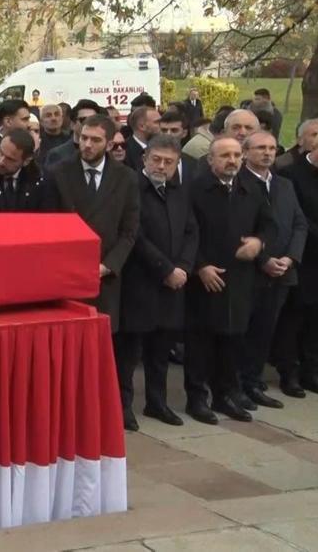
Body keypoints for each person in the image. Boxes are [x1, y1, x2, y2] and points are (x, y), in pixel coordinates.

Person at [185, 135, 276, 424]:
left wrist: (258, 243)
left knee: (232, 339)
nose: (232, 161)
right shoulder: (195, 189)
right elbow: (186, 232)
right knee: (201, 342)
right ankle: (196, 398)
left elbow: (268, 224)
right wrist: (200, 266)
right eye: (225, 155)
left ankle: (225, 395)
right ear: (210, 159)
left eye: (236, 155)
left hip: (240, 279)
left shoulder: (251, 188)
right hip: (205, 278)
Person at [116, 134, 197, 430]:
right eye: (156, 160)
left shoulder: (180, 190)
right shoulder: (131, 188)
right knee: (129, 352)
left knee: (161, 350)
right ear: (144, 159)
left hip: (173, 283)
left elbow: (192, 230)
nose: (162, 167)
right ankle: (123, 406)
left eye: (169, 162)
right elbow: (134, 235)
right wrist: (165, 269)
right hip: (140, 281)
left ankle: (157, 402)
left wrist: (184, 267)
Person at [46, 115, 140, 332]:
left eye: (95, 140)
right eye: (84, 138)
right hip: (66, 275)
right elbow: (48, 225)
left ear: (109, 144)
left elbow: (129, 230)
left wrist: (107, 266)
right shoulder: (58, 173)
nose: (87, 145)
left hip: (104, 277)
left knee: (99, 338)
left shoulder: (126, 178)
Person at [236, 131, 307, 410]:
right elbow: (237, 228)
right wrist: (264, 259)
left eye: (271, 148)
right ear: (245, 152)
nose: (267, 153)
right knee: (242, 332)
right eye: (260, 148)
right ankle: (236, 384)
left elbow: (299, 223)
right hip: (250, 272)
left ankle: (253, 382)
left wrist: (290, 258)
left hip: (282, 272)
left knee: (265, 331)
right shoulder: (237, 183)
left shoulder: (284, 184)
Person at [274, 127, 318, 398]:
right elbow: (297, 217)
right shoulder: (291, 175)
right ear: (313, 149)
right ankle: (289, 372)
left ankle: (313, 371)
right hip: (304, 258)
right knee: (294, 318)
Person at [45, 99, 103, 169]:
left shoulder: (105, 153)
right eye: (83, 120)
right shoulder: (58, 155)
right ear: (73, 124)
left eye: (94, 120)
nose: (89, 124)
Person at [125, 106, 161, 171]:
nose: (161, 126)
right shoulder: (125, 151)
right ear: (142, 126)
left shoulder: (162, 147)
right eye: (157, 122)